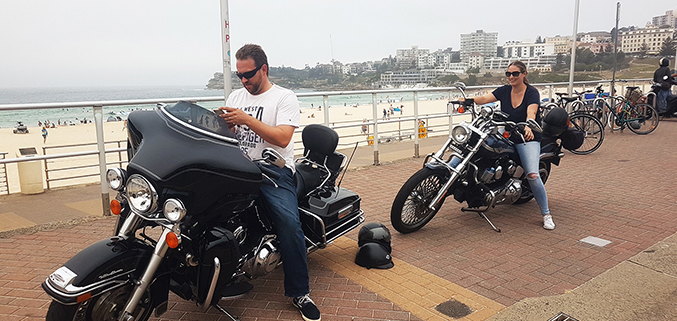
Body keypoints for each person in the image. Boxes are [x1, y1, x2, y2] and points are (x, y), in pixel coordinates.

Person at [215, 44, 320, 321]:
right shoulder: (236, 96)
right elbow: (230, 134)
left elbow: (283, 138)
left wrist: (246, 119)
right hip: (238, 168)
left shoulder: (284, 98)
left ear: (263, 69)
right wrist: (226, 125)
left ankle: (300, 292)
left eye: (248, 74)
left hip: (273, 170)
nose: (244, 80)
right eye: (239, 75)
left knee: (289, 223)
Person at [463, 60, 554, 230]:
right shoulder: (504, 91)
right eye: (508, 74)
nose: (511, 77)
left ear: (524, 74)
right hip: (507, 134)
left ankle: (546, 214)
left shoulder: (532, 93)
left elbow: (531, 111)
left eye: (515, 74)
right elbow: (484, 98)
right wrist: (466, 100)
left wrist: (529, 124)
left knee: (533, 175)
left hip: (527, 136)